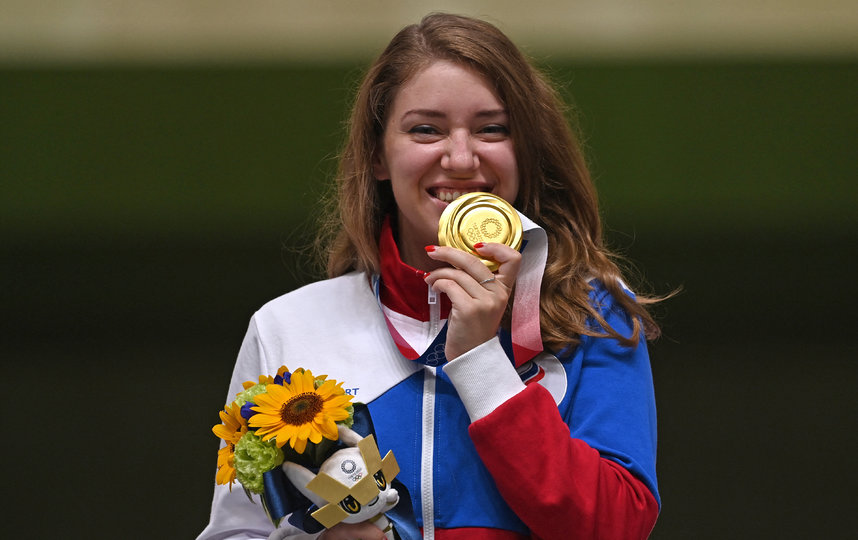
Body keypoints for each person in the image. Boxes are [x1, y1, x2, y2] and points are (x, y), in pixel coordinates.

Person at [199, 12, 663, 540]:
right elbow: (236, 531)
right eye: (426, 129)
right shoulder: (291, 324)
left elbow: (618, 527)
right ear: (377, 154)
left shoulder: (593, 314)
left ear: (526, 151)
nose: (461, 158)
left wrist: (481, 362)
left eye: (493, 129)